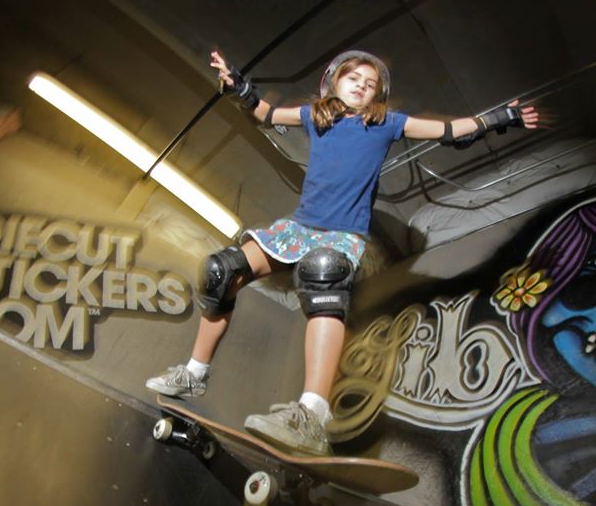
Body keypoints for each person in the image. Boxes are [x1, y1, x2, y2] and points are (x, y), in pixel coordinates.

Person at [146, 49, 539, 455]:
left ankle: (312, 415)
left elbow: (448, 130)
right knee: (220, 271)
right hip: (298, 228)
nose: (362, 88)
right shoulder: (314, 118)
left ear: (376, 97)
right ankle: (194, 373)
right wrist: (239, 85)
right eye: (355, 80)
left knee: (323, 273)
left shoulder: (387, 123)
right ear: (335, 82)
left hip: (341, 236)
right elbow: (264, 113)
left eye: (370, 85)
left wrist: (499, 119)